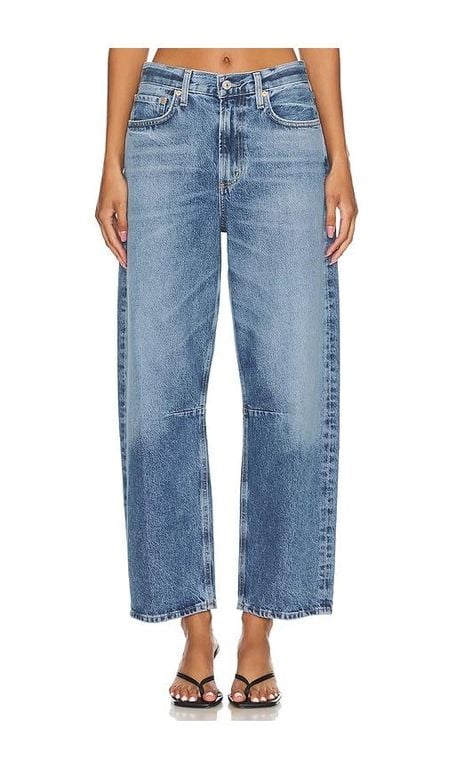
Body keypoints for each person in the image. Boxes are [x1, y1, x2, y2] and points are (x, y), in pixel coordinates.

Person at [95, 47, 358, 709]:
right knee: (159, 393)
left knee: (292, 392)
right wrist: (110, 161)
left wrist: (340, 156)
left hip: (285, 121)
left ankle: (258, 635)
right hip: (163, 121)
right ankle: (194, 631)